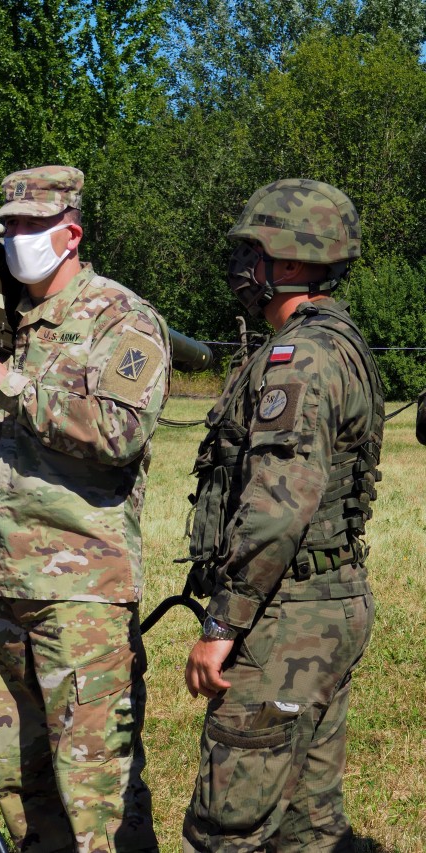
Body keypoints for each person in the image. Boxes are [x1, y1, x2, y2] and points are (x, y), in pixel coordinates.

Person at [0, 165, 171, 852]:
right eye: (7, 226)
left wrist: (7, 380)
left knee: (95, 792)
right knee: (24, 791)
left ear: (70, 234)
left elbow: (118, 432)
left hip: (80, 597)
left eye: (29, 226)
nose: (13, 238)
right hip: (1, 589)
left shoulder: (122, 318)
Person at [181, 179, 384, 852]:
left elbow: (278, 508)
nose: (244, 270)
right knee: (307, 823)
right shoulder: (337, 342)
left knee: (225, 828)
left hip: (288, 615)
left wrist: (222, 622)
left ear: (294, 262)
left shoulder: (304, 359)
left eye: (255, 253)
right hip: (324, 602)